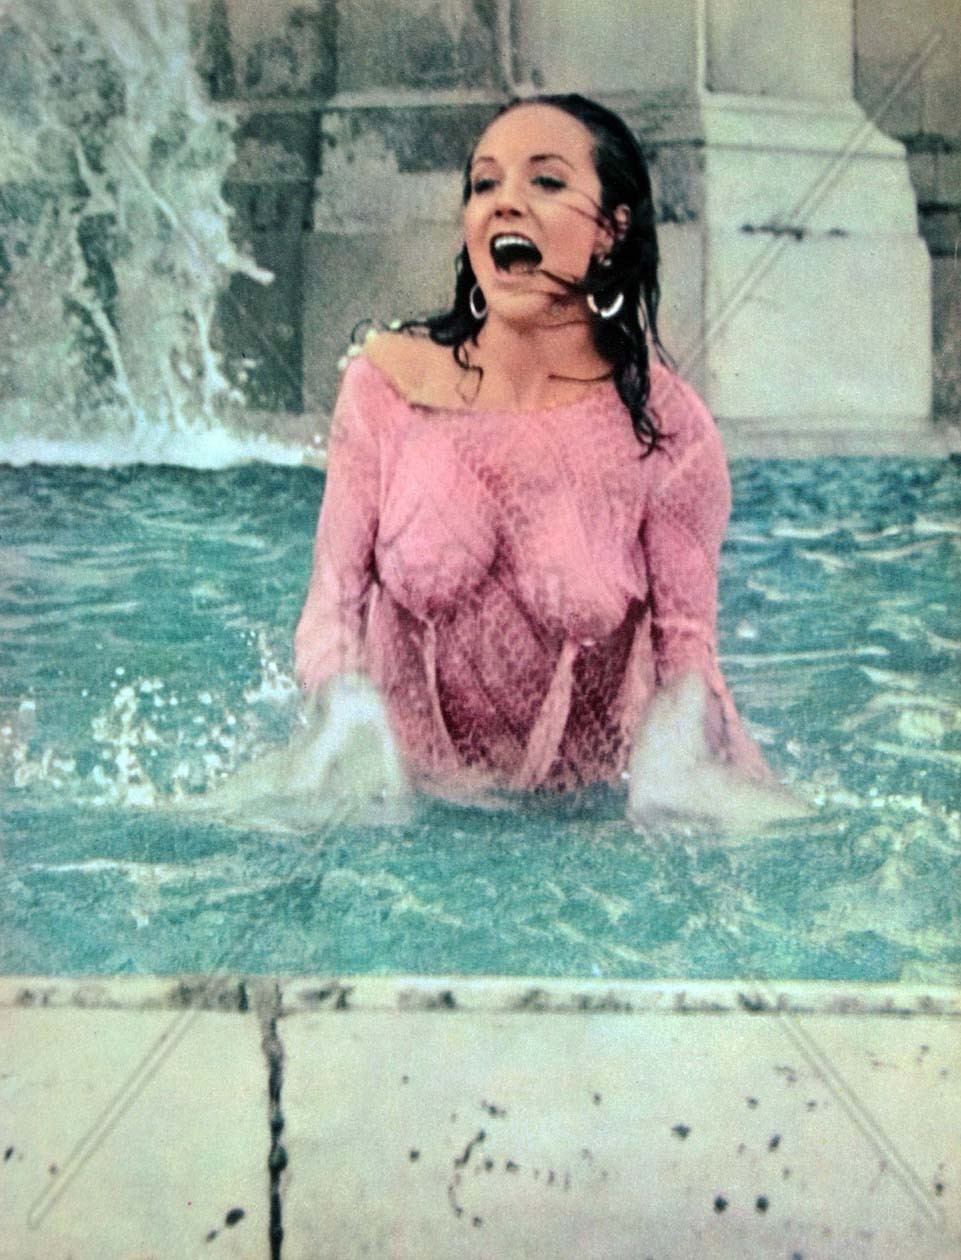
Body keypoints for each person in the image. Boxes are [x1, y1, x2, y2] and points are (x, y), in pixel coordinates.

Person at [294, 93, 808, 828]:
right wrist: (343, 705)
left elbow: (687, 658)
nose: (505, 202)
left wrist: (687, 770)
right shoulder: (384, 387)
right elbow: (331, 605)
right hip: (405, 814)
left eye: (546, 181)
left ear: (610, 230)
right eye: (484, 184)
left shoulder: (668, 428)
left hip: (585, 826)